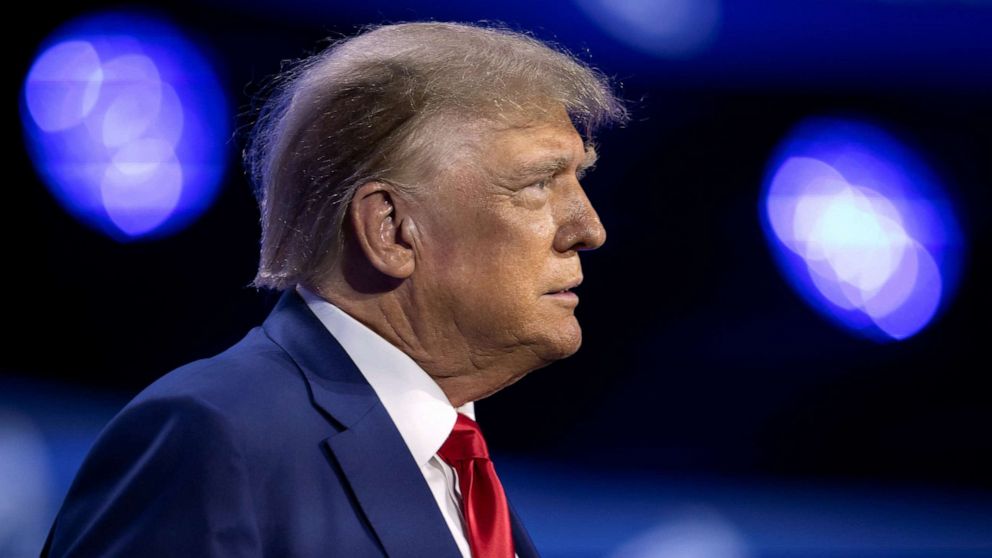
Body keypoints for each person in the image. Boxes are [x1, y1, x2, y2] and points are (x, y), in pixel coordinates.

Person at [42, 21, 627, 557]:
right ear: (391, 230)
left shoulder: (456, 469)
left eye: (578, 179)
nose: (589, 228)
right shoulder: (215, 438)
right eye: (536, 184)